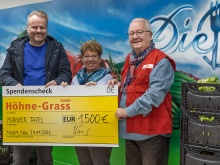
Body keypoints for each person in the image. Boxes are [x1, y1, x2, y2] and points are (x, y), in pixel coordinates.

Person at [0, 10, 72, 165]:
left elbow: (66, 72)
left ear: (46, 28)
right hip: (21, 109)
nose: (38, 31)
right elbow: (4, 74)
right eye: (35, 27)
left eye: (42, 27)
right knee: (19, 160)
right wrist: (15, 84)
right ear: (28, 28)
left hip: (47, 110)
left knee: (45, 159)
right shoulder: (15, 49)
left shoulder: (57, 48)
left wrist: (58, 81)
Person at [108, 18, 176, 165]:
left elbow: (155, 94)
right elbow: (135, 86)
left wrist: (127, 112)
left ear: (150, 35)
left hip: (151, 133)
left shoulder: (161, 60)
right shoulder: (130, 58)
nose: (135, 36)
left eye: (139, 32)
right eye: (131, 33)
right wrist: (119, 85)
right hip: (132, 130)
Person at [61, 40, 113, 165]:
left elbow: (110, 104)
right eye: (87, 56)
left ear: (99, 58)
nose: (90, 59)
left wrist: (98, 90)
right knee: (84, 162)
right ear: (82, 58)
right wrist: (65, 90)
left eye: (94, 56)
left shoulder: (108, 78)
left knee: (100, 162)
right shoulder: (75, 79)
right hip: (80, 130)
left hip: (99, 131)